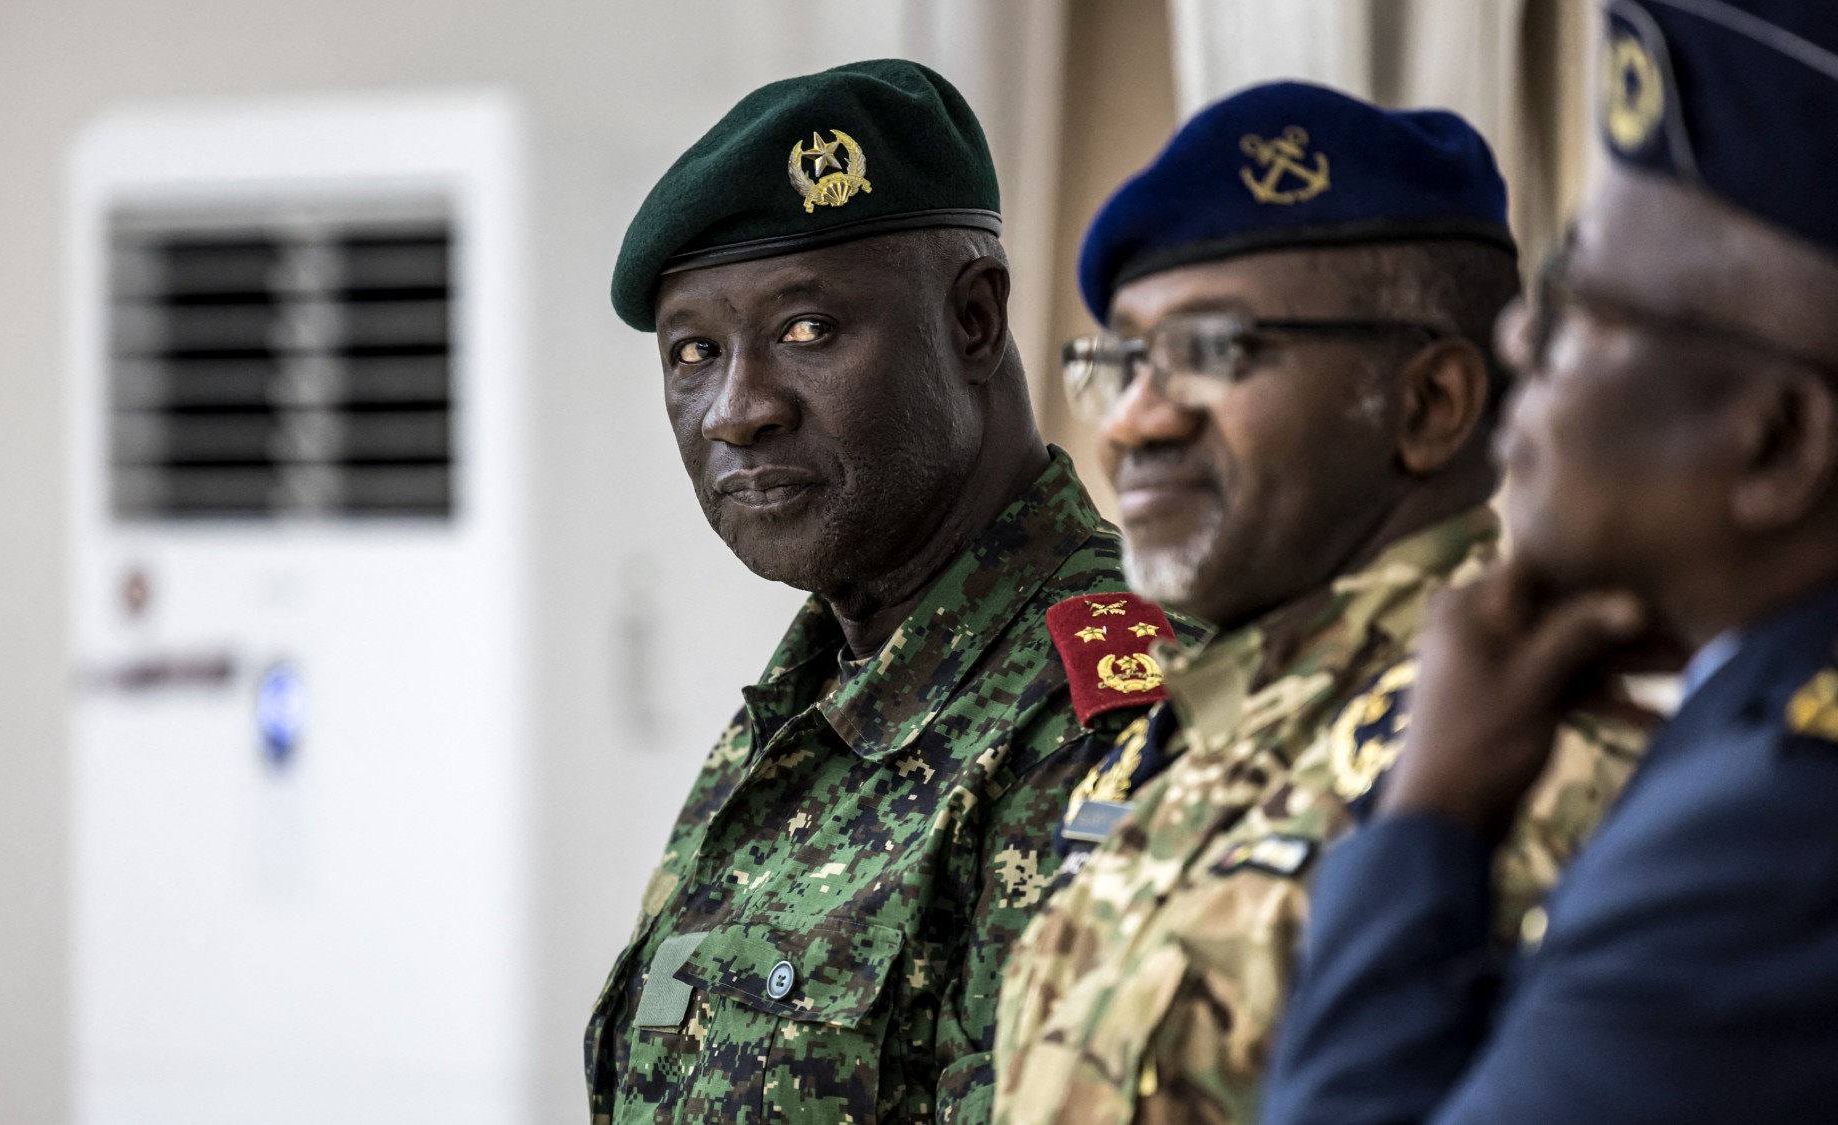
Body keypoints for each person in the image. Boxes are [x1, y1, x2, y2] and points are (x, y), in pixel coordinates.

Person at [989, 82, 1651, 1125]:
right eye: (1121, 361)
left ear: (1429, 405)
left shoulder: (1531, 764)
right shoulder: (1163, 747)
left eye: (1210, 353)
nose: (1132, 421)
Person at [583, 59, 1206, 1125]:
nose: (737, 411)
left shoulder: (1112, 722)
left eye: (805, 331)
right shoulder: (800, 713)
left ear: (971, 321)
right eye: (694, 351)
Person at [1261, 4, 1838, 1122]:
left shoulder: (1769, 838)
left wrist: (1430, 810)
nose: (1517, 340)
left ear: (1775, 439)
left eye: (1577, 307)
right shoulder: (1749, 731)